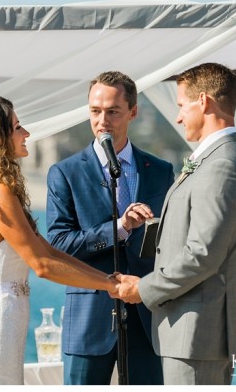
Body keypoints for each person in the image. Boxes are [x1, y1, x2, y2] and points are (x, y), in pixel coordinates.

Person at [0, 95, 119, 385]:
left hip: (4, 320)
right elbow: (42, 264)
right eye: (17, 127)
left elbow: (47, 250)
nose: (26, 133)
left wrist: (108, 279)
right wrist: (110, 285)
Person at [113, 62, 236, 385]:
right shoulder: (215, 160)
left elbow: (203, 254)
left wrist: (143, 288)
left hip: (197, 335)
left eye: (181, 106)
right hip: (189, 333)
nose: (178, 117)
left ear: (203, 102)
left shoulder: (222, 165)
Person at [46, 71, 174, 385]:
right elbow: (58, 243)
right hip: (89, 319)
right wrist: (119, 228)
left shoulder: (160, 171)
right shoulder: (65, 173)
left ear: (133, 112)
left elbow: (171, 241)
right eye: (95, 111)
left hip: (148, 319)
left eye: (113, 111)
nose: (103, 120)